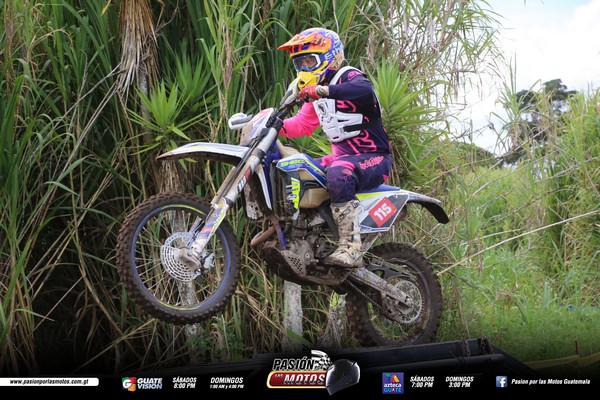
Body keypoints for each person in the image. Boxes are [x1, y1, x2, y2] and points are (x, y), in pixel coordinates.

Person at [277, 27, 392, 268]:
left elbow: (364, 89)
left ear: (330, 57)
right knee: (296, 170)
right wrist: (271, 125)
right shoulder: (315, 94)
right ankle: (308, 233)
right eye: (300, 64)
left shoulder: (348, 77)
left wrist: (323, 91)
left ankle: (351, 246)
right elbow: (302, 124)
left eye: (310, 61)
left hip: (374, 158)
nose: (305, 68)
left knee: (340, 171)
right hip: (341, 158)